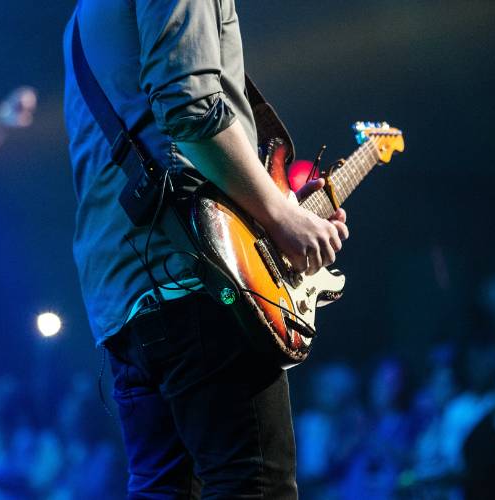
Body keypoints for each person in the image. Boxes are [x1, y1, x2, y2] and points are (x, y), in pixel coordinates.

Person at [62, 0, 348, 497]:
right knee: (253, 486)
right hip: (201, 281)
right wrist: (281, 217)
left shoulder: (85, 16)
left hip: (125, 297)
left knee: (164, 490)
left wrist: (285, 210)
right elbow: (189, 108)